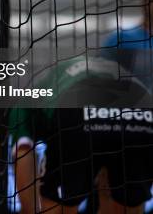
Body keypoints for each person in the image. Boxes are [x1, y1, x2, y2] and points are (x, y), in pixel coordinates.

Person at [9, 55, 153, 214]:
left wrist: (30, 209)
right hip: (141, 108)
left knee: (58, 208)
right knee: (128, 206)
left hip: (78, 105)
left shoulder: (23, 105)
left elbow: (23, 153)